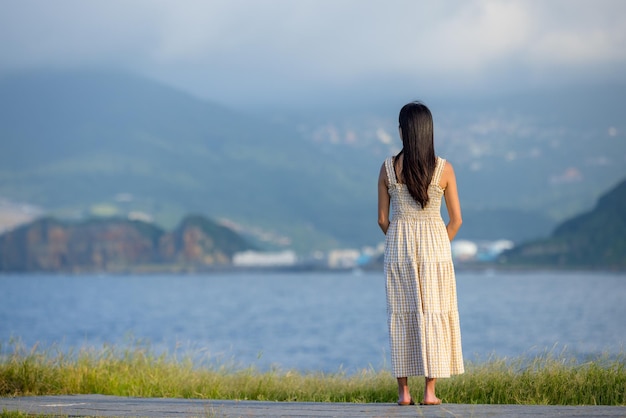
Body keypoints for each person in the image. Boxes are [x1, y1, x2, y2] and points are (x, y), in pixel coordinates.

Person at [377, 101, 464, 406]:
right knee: (434, 314)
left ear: (402, 131)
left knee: (401, 317)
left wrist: (400, 240)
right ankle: (430, 392)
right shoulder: (444, 169)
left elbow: (382, 220)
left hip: (398, 249)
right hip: (435, 251)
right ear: (429, 132)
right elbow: (456, 220)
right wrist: (438, 243)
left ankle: (403, 393)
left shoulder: (388, 168)